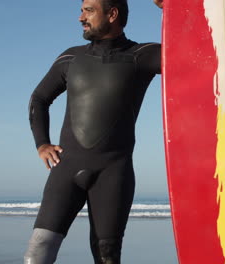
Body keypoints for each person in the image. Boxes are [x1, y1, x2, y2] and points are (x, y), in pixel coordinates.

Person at [24, 0, 163, 263]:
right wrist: (42, 143)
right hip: (66, 170)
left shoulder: (141, 55)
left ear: (112, 14)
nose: (80, 17)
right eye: (82, 10)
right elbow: (39, 99)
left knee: (107, 256)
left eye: (88, 10)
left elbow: (189, 52)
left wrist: (169, 8)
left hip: (113, 174)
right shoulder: (71, 57)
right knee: (38, 251)